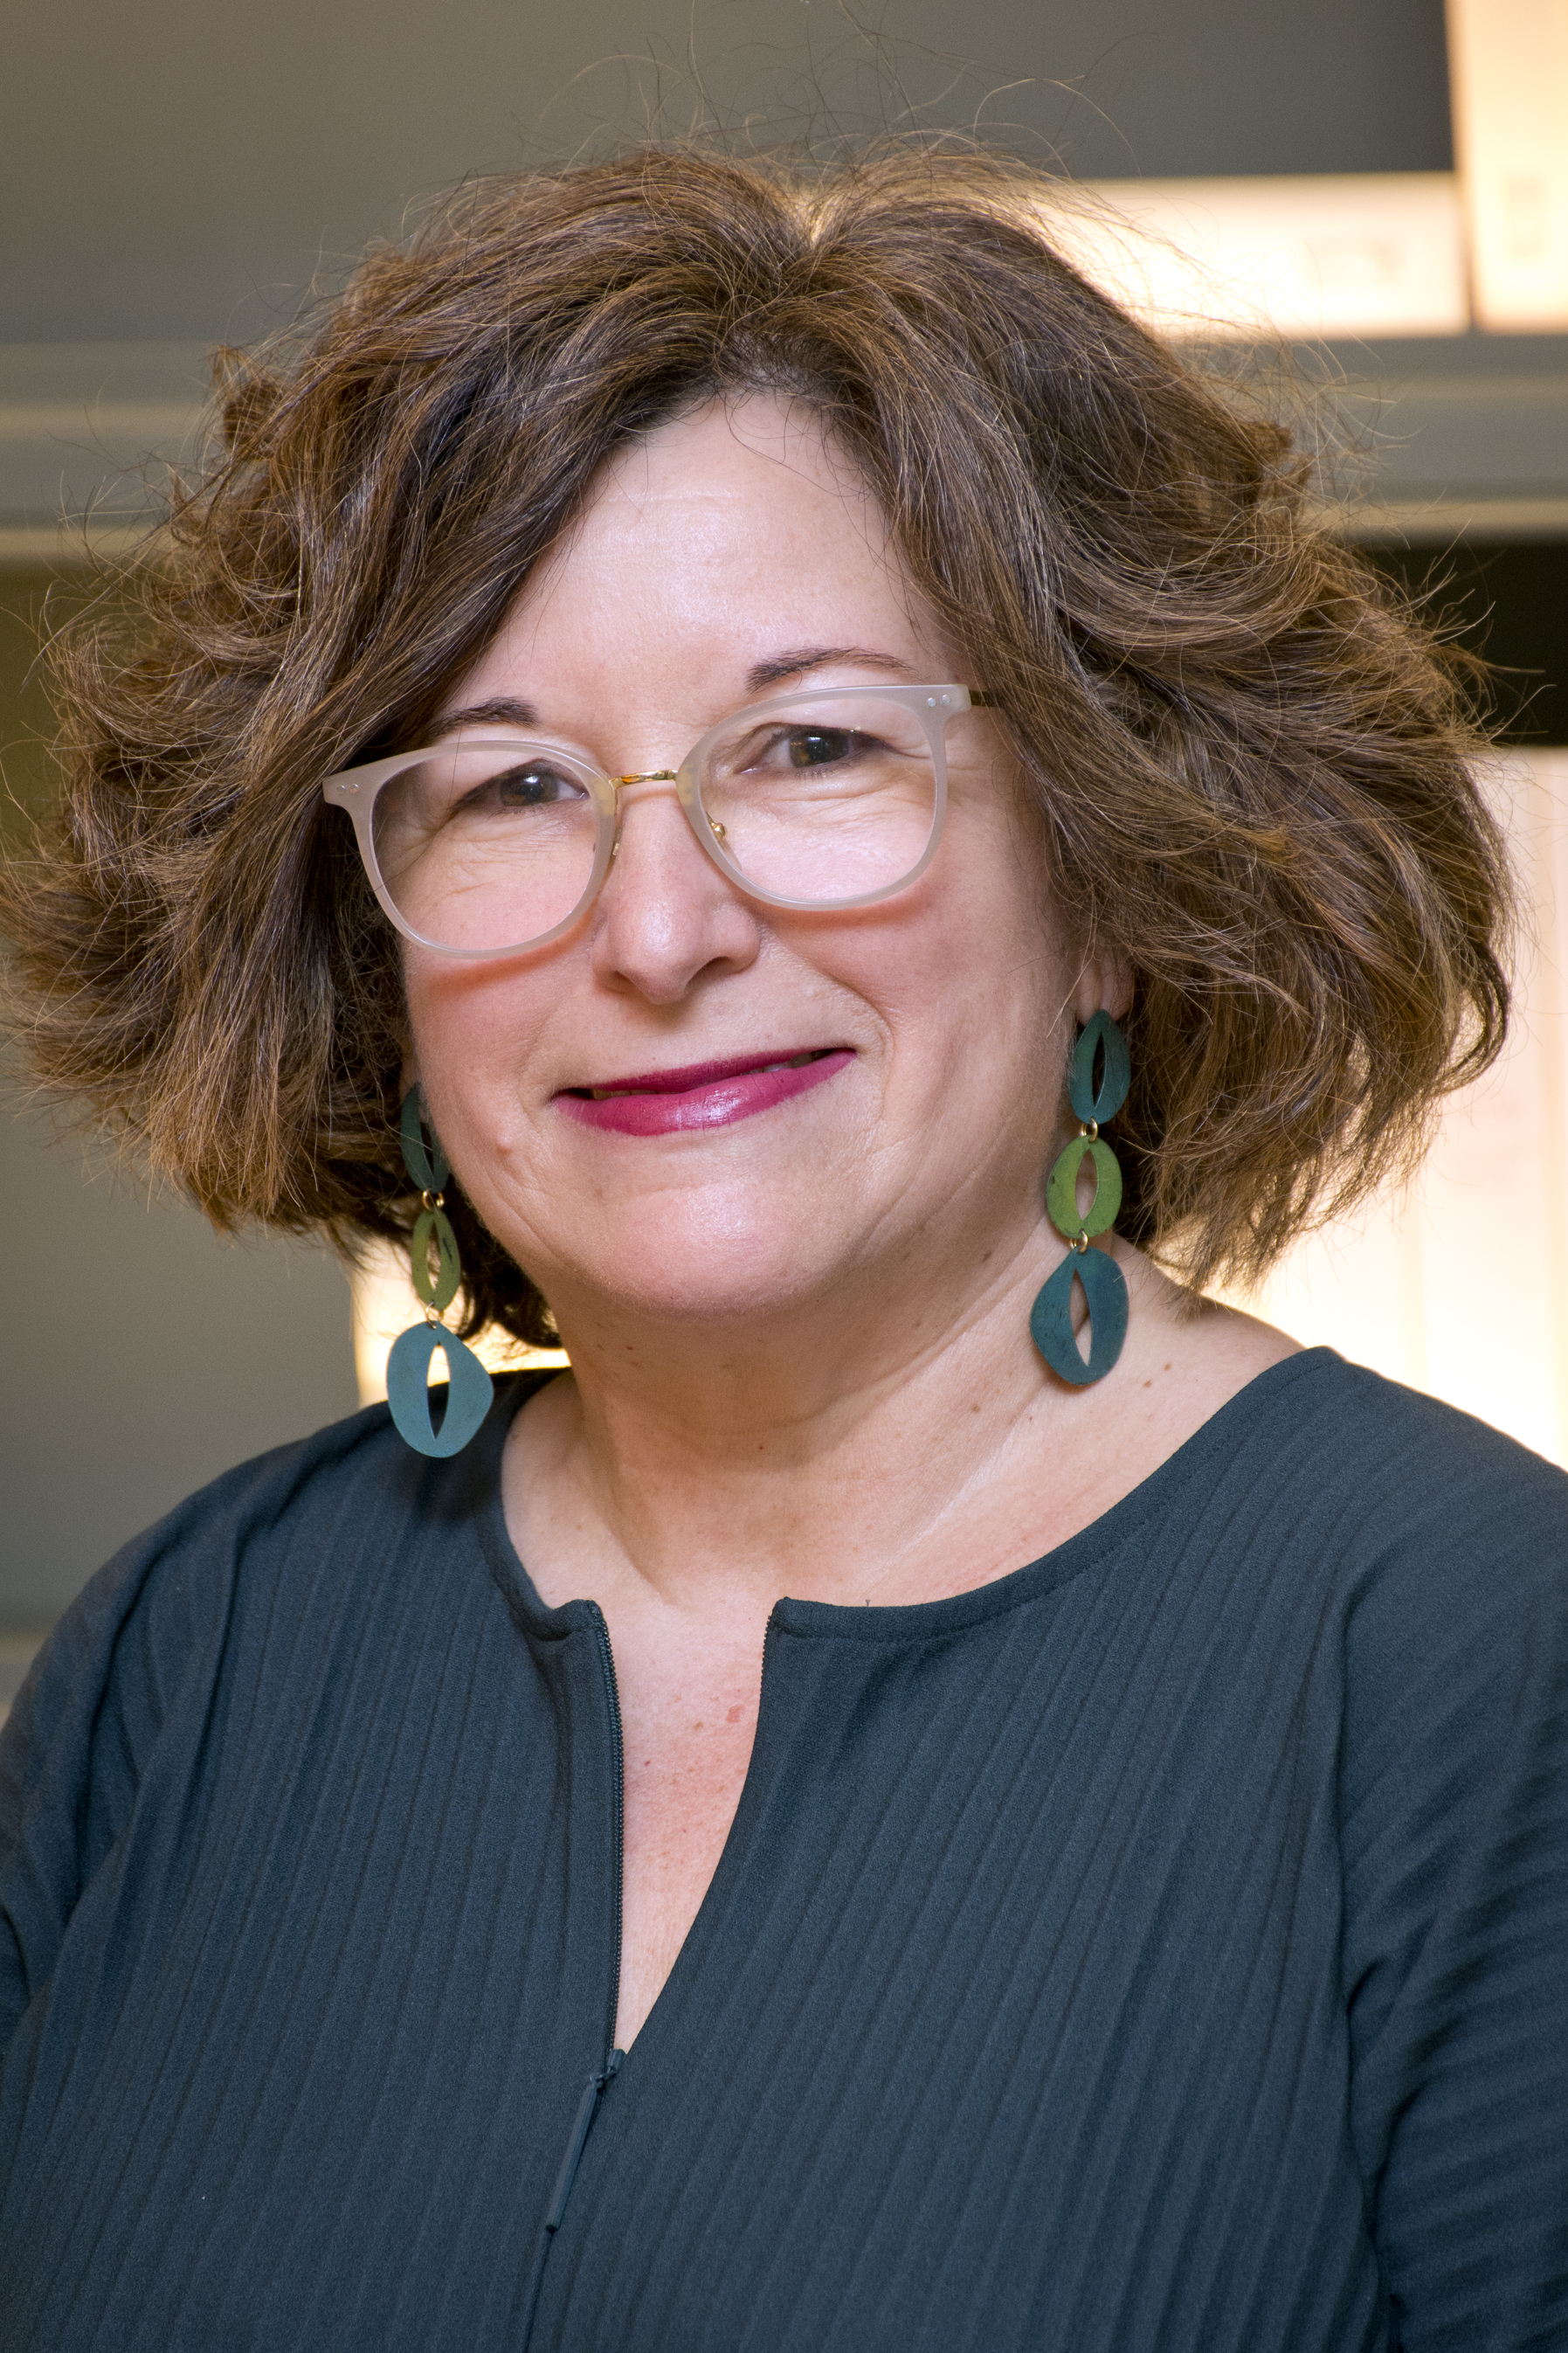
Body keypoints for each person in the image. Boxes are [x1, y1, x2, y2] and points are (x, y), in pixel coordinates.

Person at [0, 149, 1563, 2353]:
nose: (657, 931)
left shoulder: (1470, 1668)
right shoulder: (195, 1650)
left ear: (1120, 870)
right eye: (509, 785)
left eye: (814, 746)